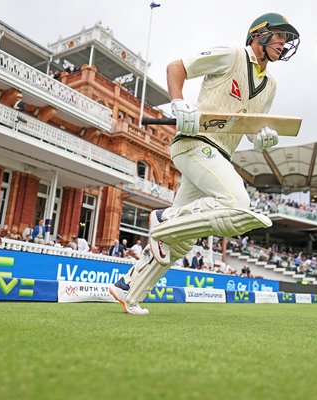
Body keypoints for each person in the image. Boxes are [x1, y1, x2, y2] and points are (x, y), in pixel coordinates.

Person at [109, 12, 300, 315]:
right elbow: (177, 67)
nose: (283, 42)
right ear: (258, 35)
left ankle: (128, 290)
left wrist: (259, 137)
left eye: (286, 39)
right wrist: (177, 102)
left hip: (219, 155)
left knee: (181, 243)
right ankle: (165, 219)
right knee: (236, 202)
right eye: (279, 35)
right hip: (195, 143)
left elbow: (248, 125)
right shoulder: (232, 55)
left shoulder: (271, 86)